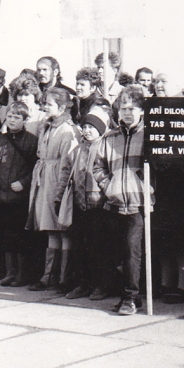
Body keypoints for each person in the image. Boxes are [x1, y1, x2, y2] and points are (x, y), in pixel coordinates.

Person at [96, 86, 153, 315]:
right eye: (123, 108)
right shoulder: (110, 138)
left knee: (132, 251)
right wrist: (108, 186)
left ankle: (130, 297)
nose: (127, 113)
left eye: (132, 108)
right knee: (118, 251)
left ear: (141, 110)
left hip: (139, 204)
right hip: (115, 202)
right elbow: (98, 166)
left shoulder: (149, 136)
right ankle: (129, 295)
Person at [26, 87, 79, 291]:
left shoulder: (68, 130)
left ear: (62, 106)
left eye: (49, 104)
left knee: (63, 230)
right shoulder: (47, 127)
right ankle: (49, 275)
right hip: (45, 180)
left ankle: (64, 277)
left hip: (57, 181)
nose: (44, 107)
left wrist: (60, 191)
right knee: (50, 230)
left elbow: (68, 164)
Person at [0, 102, 39, 287]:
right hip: (0, 198)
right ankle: (10, 272)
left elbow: (36, 167)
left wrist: (23, 183)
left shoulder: (32, 141)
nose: (12, 120)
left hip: (19, 199)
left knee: (21, 237)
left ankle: (22, 273)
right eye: (10, 116)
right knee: (5, 236)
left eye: (17, 117)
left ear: (25, 120)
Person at [68, 111, 109, 300]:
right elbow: (67, 173)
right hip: (79, 203)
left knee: (99, 248)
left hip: (98, 205)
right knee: (80, 247)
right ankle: (83, 283)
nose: (87, 131)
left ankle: (101, 285)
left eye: (91, 127)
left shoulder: (105, 147)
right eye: (84, 127)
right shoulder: (78, 149)